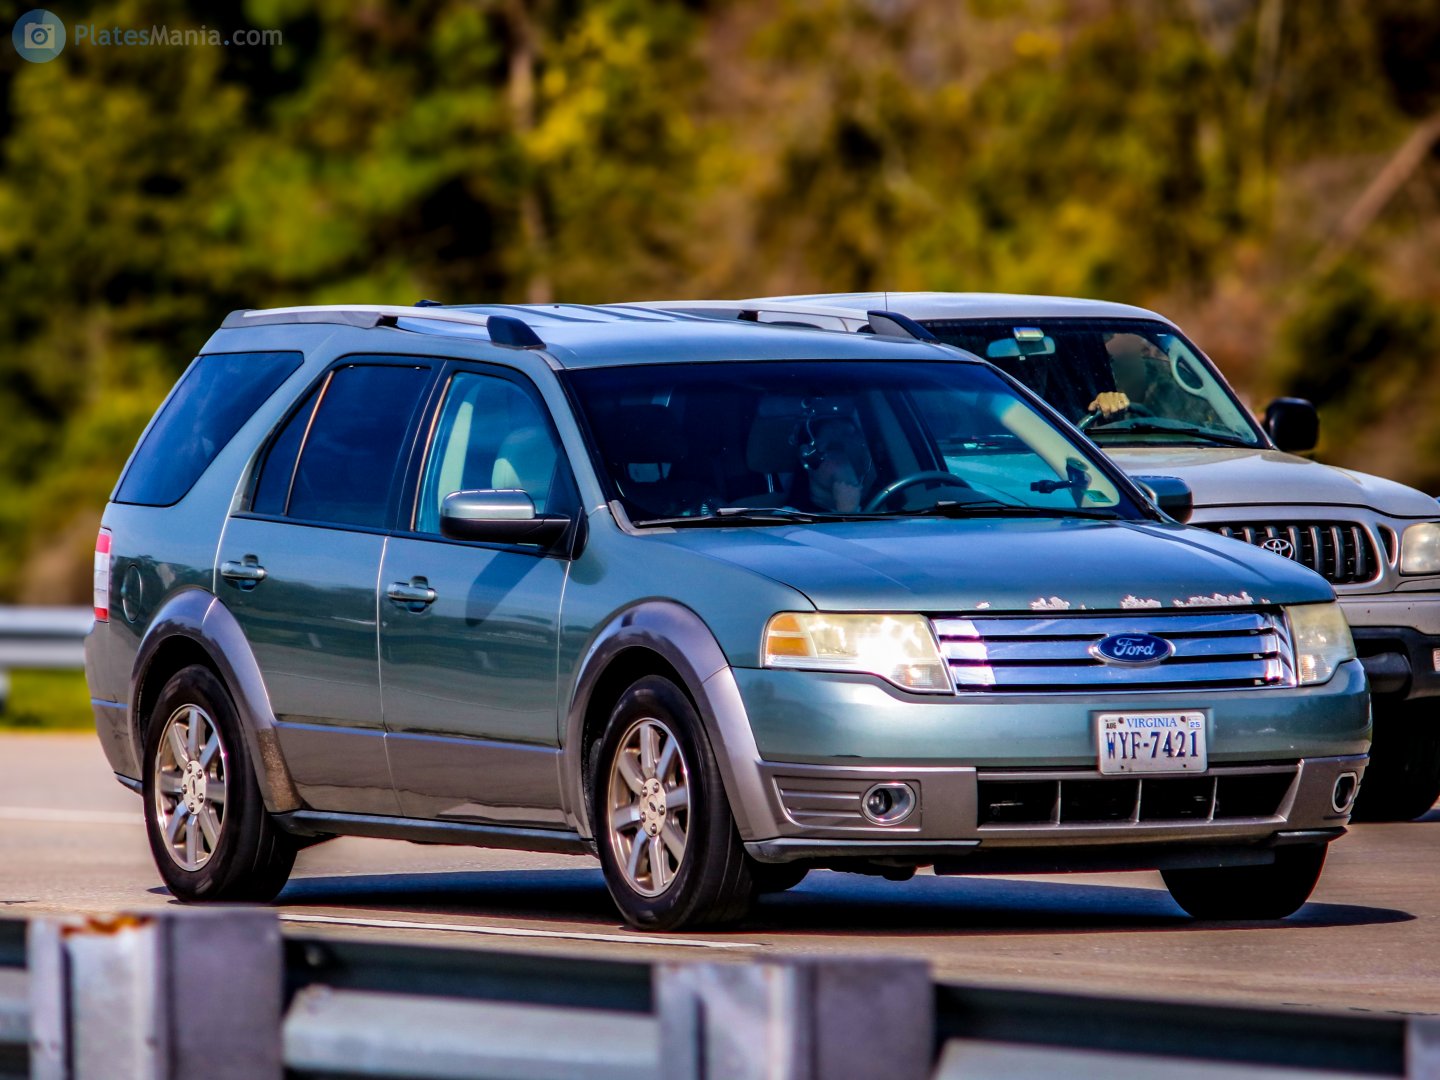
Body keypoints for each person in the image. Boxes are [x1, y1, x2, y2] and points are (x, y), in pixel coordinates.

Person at [1086, 332, 1220, 428]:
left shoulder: (1179, 394)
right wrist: (1106, 412)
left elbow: (1206, 431)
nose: (1117, 366)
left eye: (1132, 354)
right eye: (1111, 360)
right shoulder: (1096, 398)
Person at [790, 410, 876, 513]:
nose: (848, 459)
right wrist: (847, 513)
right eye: (835, 448)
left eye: (854, 439)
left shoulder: (885, 502)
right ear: (808, 459)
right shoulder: (787, 516)